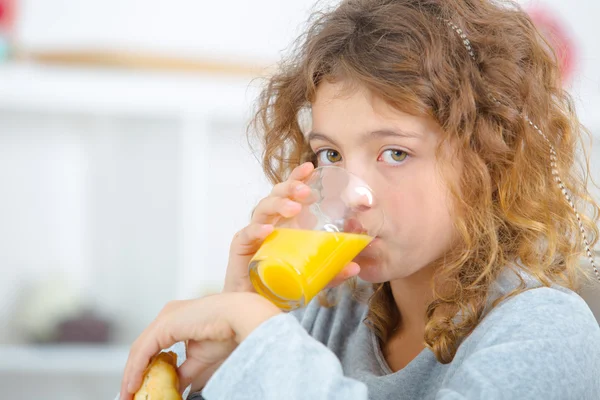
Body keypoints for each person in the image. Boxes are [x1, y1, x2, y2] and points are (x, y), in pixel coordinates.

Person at [118, 0, 600, 399]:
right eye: (331, 154)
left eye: (394, 152)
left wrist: (261, 335)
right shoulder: (326, 312)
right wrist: (226, 359)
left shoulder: (547, 329)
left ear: (490, 161)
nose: (355, 194)